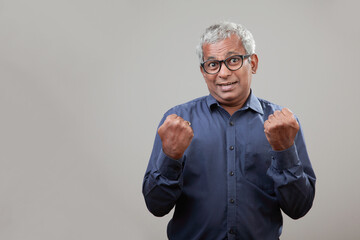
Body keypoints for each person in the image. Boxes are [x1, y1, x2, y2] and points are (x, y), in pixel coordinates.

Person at [142, 21, 316, 240]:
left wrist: (284, 150)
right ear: (203, 71)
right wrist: (170, 156)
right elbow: (156, 206)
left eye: (233, 60)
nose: (223, 73)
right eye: (213, 64)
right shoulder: (176, 122)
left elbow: (298, 208)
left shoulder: (283, 124)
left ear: (252, 63)